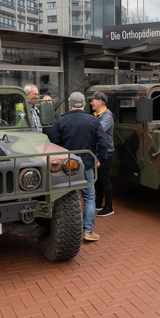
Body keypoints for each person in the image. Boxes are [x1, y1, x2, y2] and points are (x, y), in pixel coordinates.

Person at [50, 92, 108, 241]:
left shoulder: (61, 121)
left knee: (63, 197)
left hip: (66, 167)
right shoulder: (93, 120)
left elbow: (54, 144)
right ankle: (88, 231)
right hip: (87, 165)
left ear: (69, 104)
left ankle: (64, 232)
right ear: (83, 104)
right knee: (89, 197)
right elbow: (103, 142)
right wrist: (100, 159)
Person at [90, 91, 116, 217]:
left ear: (100, 101)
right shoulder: (95, 114)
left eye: (92, 100)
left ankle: (109, 206)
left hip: (105, 153)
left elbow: (97, 130)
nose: (90, 103)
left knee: (105, 179)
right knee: (98, 179)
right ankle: (98, 203)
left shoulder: (107, 116)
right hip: (97, 152)